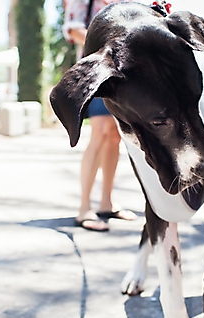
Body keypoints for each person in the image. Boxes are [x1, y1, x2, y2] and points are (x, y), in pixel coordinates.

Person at [63, 0, 136, 232]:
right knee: (101, 131)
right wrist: (111, 47)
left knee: (115, 135)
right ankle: (84, 207)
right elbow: (73, 29)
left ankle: (107, 202)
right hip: (96, 70)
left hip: (121, 73)